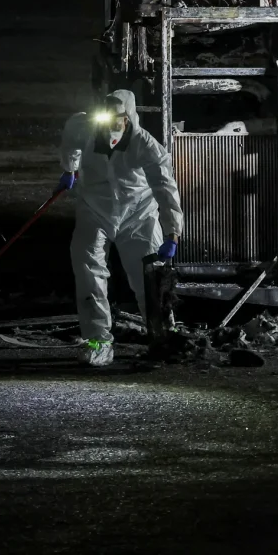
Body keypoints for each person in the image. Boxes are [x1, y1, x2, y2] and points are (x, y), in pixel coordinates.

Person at [56, 90, 183, 366]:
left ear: (129, 119)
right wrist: (70, 169)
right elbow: (69, 143)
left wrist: (172, 230)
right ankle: (98, 339)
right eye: (107, 119)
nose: (112, 125)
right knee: (88, 268)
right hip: (94, 209)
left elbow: (165, 187)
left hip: (138, 214)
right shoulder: (83, 128)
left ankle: (163, 336)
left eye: (118, 119)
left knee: (148, 277)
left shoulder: (146, 146)